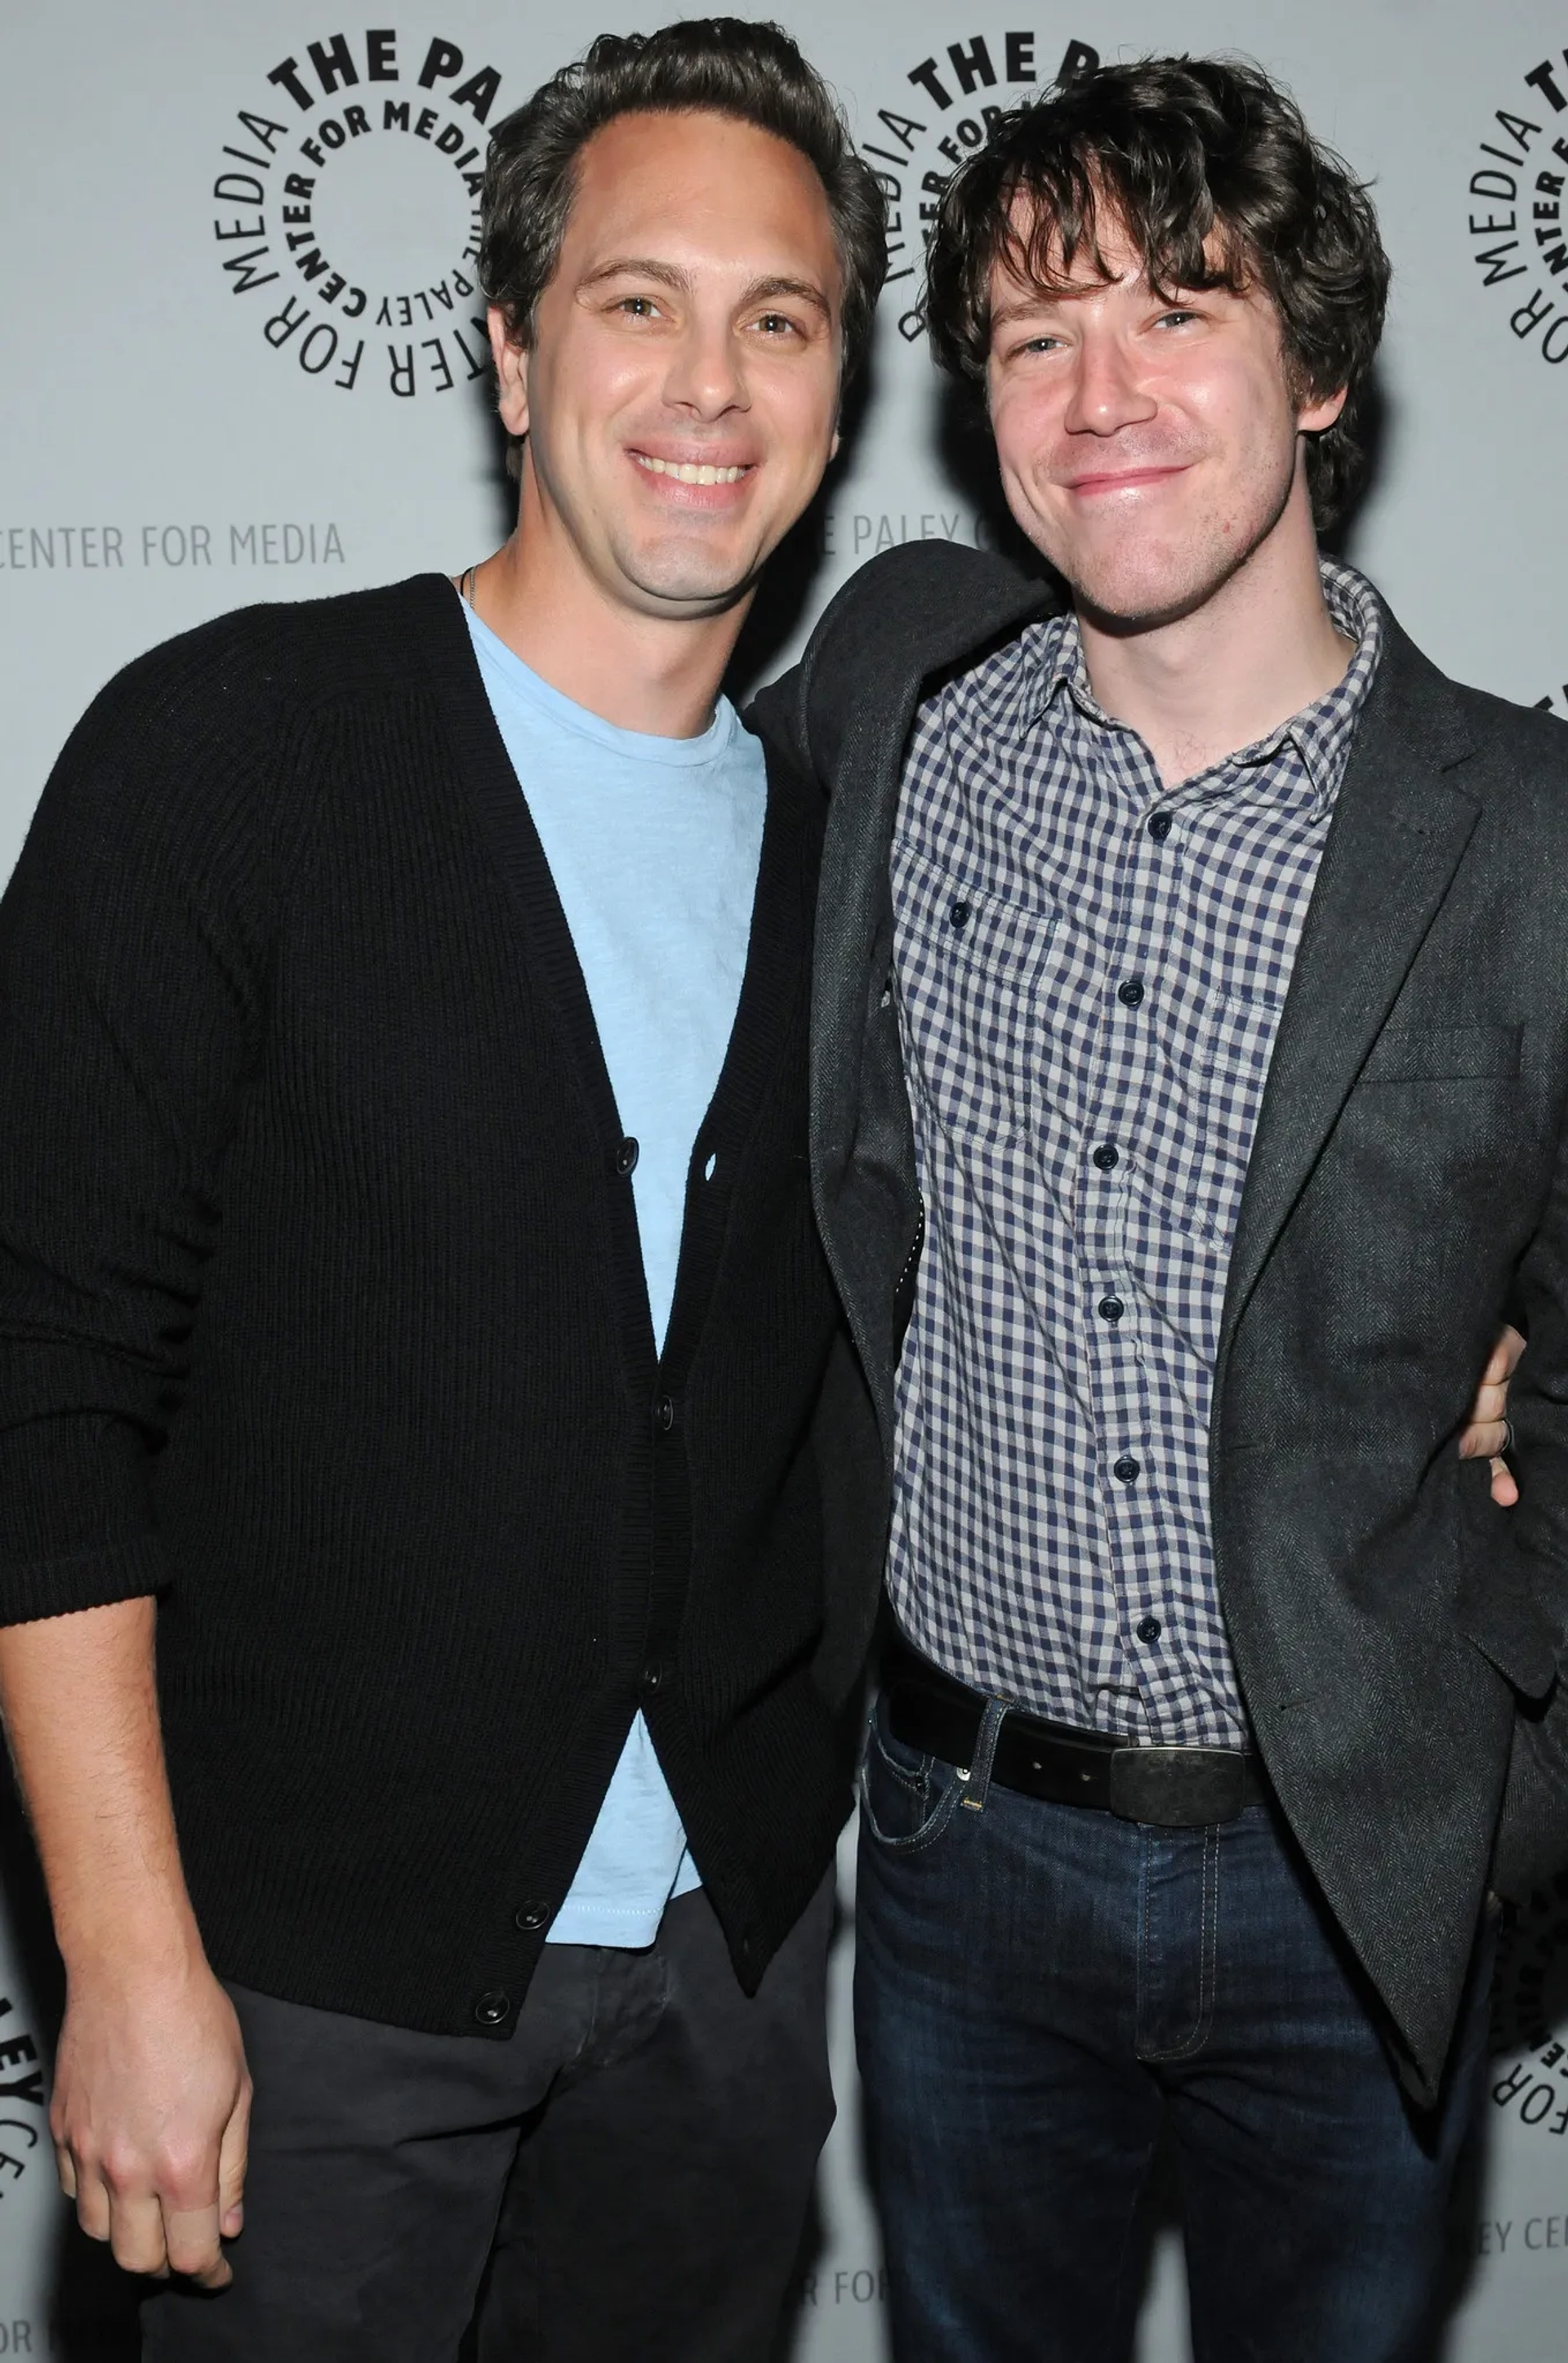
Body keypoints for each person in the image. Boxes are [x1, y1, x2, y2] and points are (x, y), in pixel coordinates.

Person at [0, 20, 886, 2358]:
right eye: (637, 298)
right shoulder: (228, 752)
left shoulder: (854, 855)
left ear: (837, 391)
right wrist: (127, 1962)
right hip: (302, 2002)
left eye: (779, 319)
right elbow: (43, 1394)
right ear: (509, 347)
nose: (710, 380)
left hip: (716, 1991)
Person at [753, 54, 1562, 2363]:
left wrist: (1502, 1767)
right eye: (1035, 333)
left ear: (1317, 371)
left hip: (1355, 1880)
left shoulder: (1527, 832)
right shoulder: (897, 690)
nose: (1101, 394)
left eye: (1178, 309)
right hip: (953, 1857)